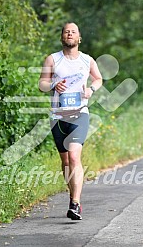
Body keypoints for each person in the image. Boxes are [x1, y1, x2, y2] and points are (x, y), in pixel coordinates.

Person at [39, 22, 102, 220]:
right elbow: (42, 84)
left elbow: (98, 79)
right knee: (65, 161)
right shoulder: (53, 59)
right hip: (58, 117)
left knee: (74, 156)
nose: (69, 34)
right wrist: (53, 85)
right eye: (66, 31)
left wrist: (91, 89)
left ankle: (75, 203)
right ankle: (72, 195)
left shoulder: (87, 60)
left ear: (79, 38)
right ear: (62, 37)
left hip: (79, 113)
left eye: (73, 32)